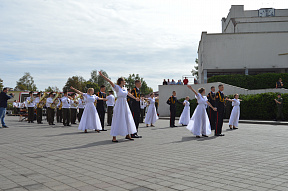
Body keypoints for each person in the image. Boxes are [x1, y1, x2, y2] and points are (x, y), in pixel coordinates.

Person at [99, 71, 138, 142]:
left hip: (125, 104)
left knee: (127, 118)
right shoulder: (117, 87)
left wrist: (135, 98)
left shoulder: (125, 88)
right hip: (119, 104)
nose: (125, 81)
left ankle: (127, 134)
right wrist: (102, 76)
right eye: (124, 80)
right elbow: (110, 81)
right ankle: (114, 136)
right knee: (117, 118)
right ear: (120, 81)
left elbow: (129, 94)